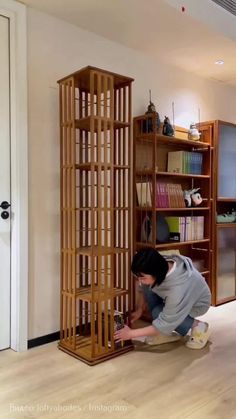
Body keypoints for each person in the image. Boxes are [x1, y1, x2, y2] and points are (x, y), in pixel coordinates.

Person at [114, 248, 211, 349]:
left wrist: (130, 334)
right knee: (148, 288)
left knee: (158, 312)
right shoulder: (160, 262)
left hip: (196, 304)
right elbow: (145, 286)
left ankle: (199, 326)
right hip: (174, 295)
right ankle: (165, 333)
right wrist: (139, 310)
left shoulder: (177, 290)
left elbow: (165, 322)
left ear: (156, 273)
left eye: (142, 278)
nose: (139, 281)